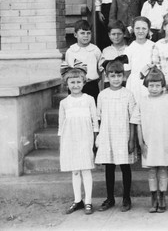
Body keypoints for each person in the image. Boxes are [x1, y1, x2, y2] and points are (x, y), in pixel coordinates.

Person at [132, 66, 168, 213]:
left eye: (157, 85)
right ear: (146, 85)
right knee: (151, 170)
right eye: (151, 85)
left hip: (164, 140)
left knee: (162, 169)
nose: (154, 88)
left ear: (162, 85)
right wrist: (141, 143)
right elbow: (137, 122)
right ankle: (153, 198)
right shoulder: (142, 101)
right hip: (149, 141)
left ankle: (163, 197)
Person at [95, 56, 136, 212]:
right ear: (107, 76)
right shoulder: (102, 95)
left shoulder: (128, 94)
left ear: (123, 76)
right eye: (112, 75)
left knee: (125, 167)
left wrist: (132, 139)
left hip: (123, 135)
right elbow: (99, 118)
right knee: (109, 167)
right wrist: (98, 138)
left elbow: (133, 119)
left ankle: (126, 197)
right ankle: (110, 198)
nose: (116, 79)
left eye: (119, 75)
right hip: (108, 136)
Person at [58, 62, 99, 215]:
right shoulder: (64, 103)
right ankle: (77, 200)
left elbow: (95, 120)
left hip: (85, 137)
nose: (75, 85)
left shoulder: (89, 99)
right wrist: (61, 141)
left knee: (86, 169)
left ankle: (88, 201)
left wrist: (96, 138)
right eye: (72, 82)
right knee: (75, 171)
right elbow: (61, 124)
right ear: (67, 84)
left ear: (83, 82)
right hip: (70, 138)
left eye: (78, 82)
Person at [65, 20, 101, 103]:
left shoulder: (95, 50)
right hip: (75, 85)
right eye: (82, 33)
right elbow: (67, 70)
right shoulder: (71, 51)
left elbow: (100, 68)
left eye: (88, 33)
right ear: (75, 35)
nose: (86, 36)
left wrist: (94, 78)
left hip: (91, 85)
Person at [124, 16, 155, 102]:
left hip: (151, 81)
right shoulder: (129, 49)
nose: (140, 31)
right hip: (135, 83)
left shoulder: (153, 46)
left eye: (144, 28)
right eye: (137, 28)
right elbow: (127, 71)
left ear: (148, 30)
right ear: (133, 29)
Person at [98, 20, 128, 89]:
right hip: (109, 84)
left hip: (125, 82)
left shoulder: (128, 50)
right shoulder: (106, 51)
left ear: (124, 34)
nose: (116, 37)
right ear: (109, 35)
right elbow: (102, 72)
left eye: (119, 34)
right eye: (113, 34)